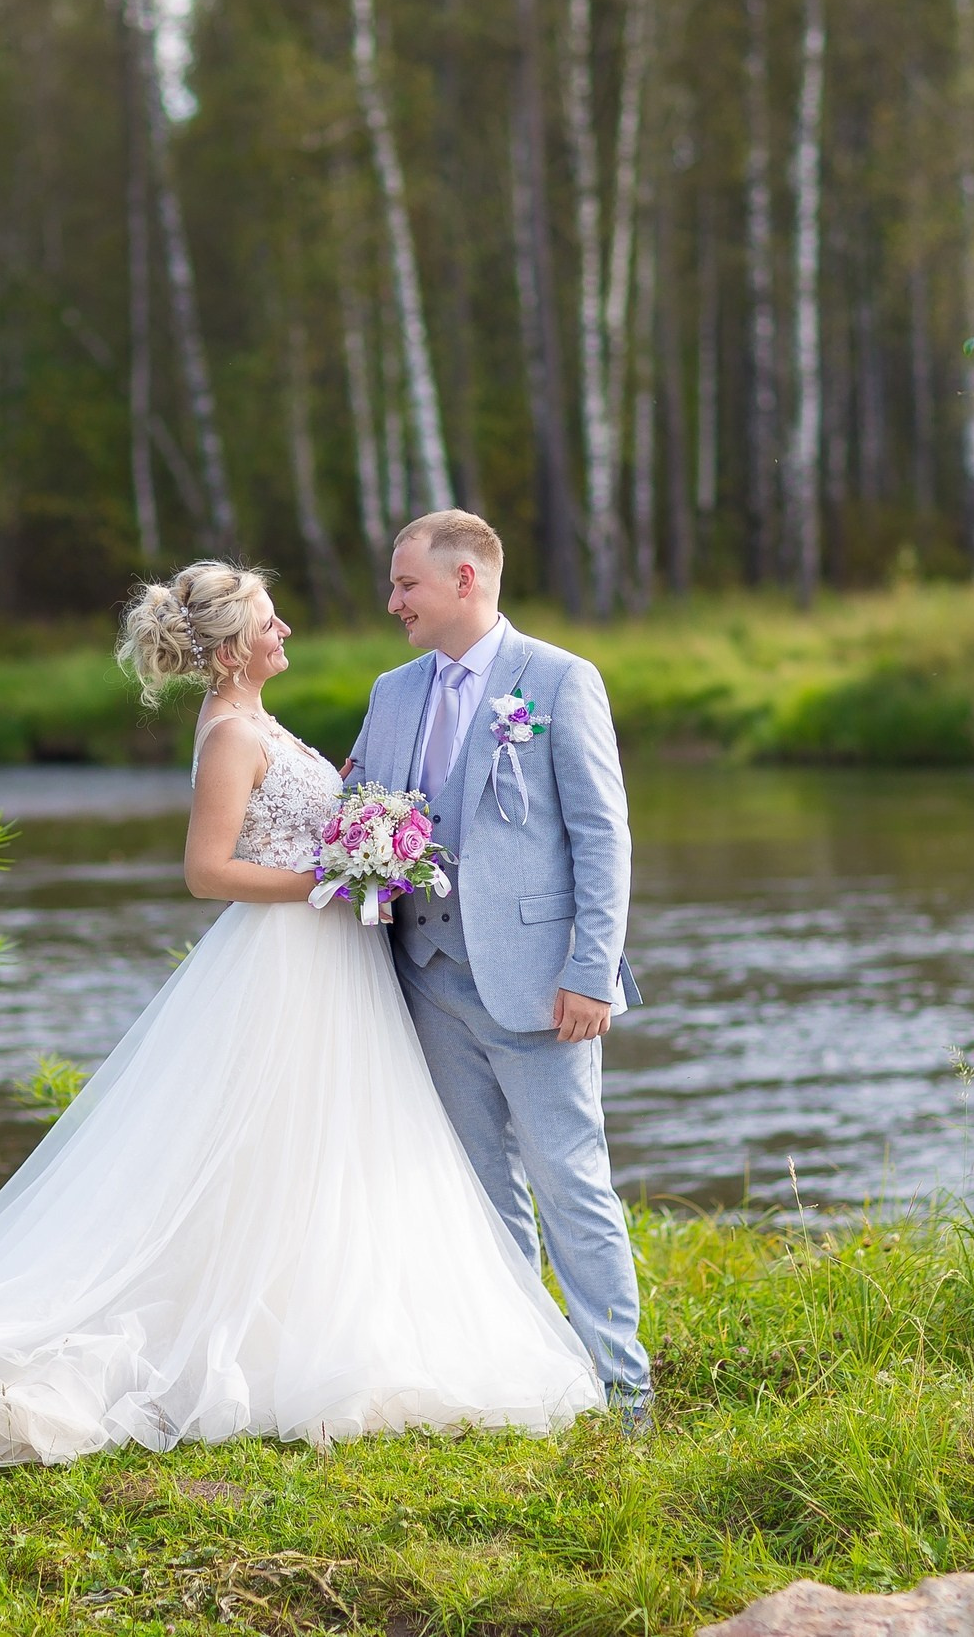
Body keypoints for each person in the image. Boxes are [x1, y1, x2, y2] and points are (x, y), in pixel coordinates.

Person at [0, 561, 602, 1466]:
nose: (285, 631)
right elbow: (207, 871)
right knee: (276, 1149)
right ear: (235, 644)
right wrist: (335, 875)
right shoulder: (232, 734)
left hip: (325, 959)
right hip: (288, 958)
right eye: (271, 620)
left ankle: (325, 1312)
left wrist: (362, 837)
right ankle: (277, 1338)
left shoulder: (255, 719)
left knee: (317, 1152)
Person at [344, 511, 653, 1433]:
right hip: (424, 972)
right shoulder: (392, 691)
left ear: (467, 578)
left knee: (571, 1180)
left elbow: (603, 834)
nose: (392, 600)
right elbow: (365, 806)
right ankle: (531, 1381)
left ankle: (623, 1389)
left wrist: (591, 970)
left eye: (406, 584)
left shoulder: (559, 679)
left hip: (539, 981)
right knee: (479, 1188)